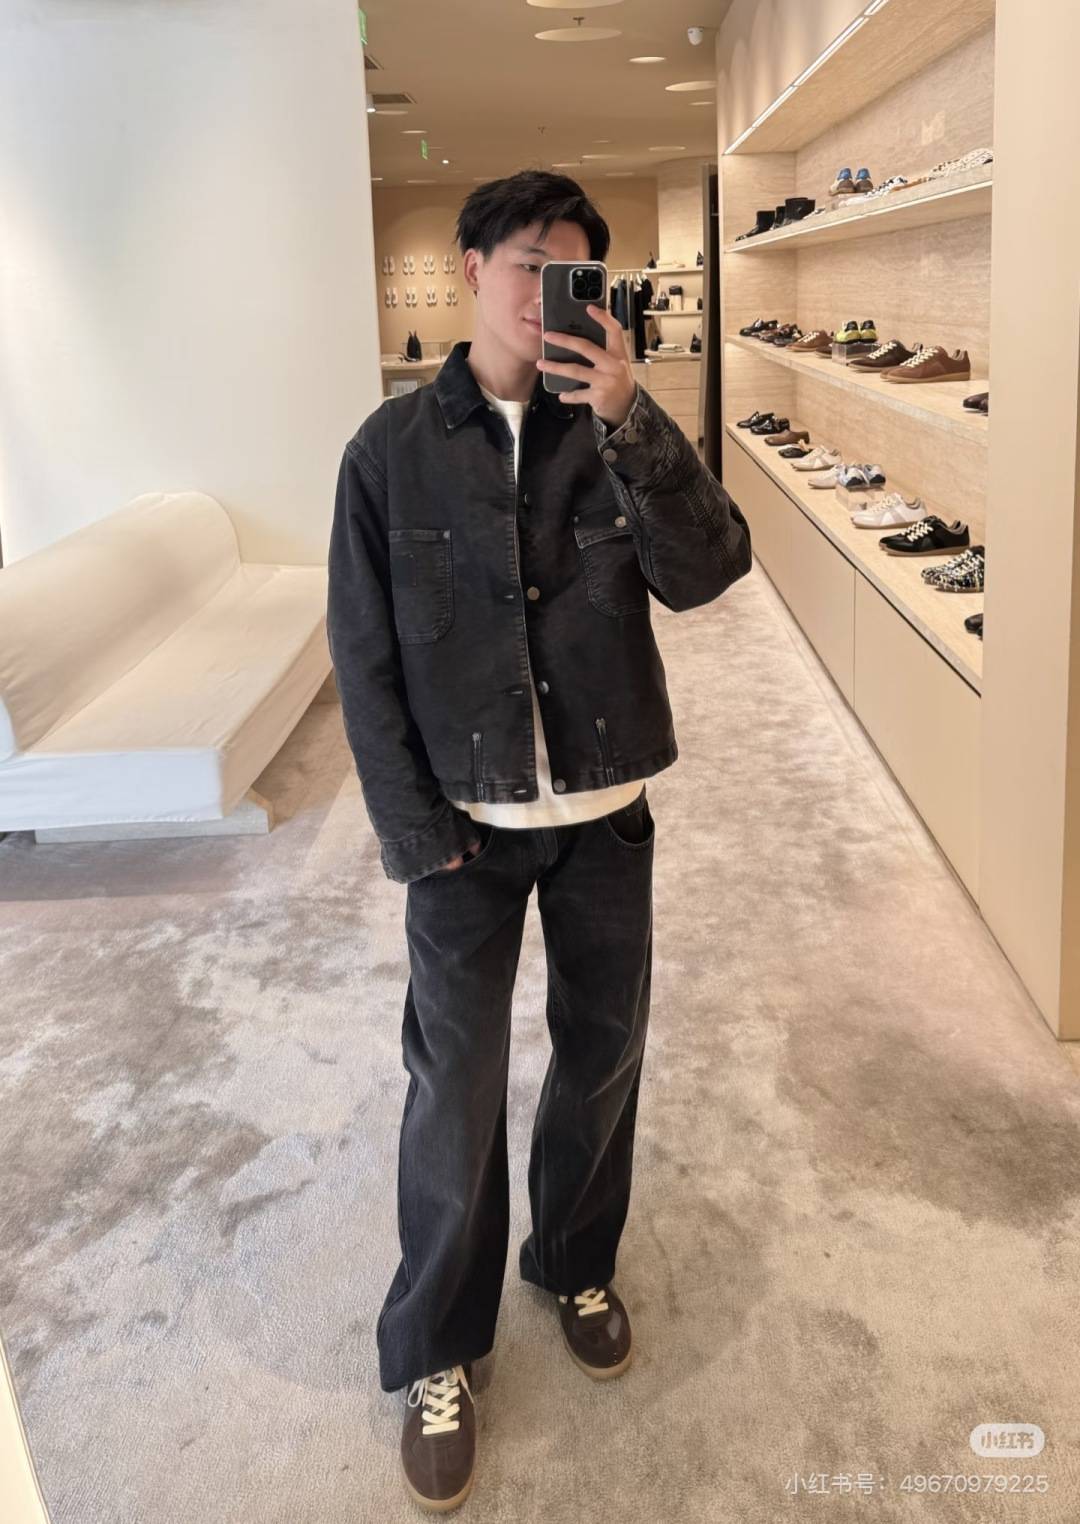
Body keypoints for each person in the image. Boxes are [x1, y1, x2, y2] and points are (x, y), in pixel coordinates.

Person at [326, 169, 752, 1512]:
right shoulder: (388, 453)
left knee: (603, 1056)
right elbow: (365, 660)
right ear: (470, 268)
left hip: (605, 818)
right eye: (525, 262)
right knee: (452, 1089)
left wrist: (635, 421)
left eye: (571, 272)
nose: (543, 292)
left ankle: (573, 1259)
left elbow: (710, 571)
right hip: (465, 829)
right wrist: (411, 835)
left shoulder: (611, 430)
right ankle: (436, 1345)